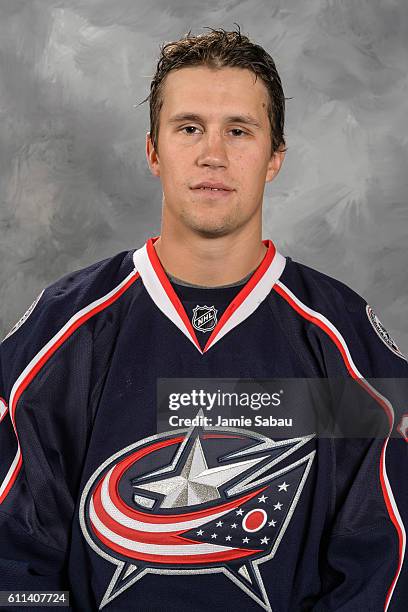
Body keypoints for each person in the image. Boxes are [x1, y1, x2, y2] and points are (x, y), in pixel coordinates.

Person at [0, 26, 407, 612]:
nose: (212, 153)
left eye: (239, 131)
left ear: (275, 157)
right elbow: (13, 561)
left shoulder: (344, 346)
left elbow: (384, 561)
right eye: (189, 128)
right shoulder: (62, 331)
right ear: (153, 151)